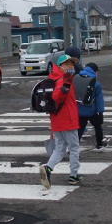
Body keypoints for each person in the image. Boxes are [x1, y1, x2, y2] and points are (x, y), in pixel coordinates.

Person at [39, 54, 82, 189]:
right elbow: (57, 95)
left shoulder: (55, 78)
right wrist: (65, 86)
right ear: (61, 66)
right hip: (68, 120)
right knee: (74, 148)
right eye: (68, 64)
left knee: (60, 149)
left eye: (72, 63)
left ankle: (48, 169)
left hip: (57, 120)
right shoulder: (63, 79)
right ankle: (74, 175)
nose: (71, 66)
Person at [77, 62, 107, 151]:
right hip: (92, 110)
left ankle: (73, 147)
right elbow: (99, 100)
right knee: (98, 127)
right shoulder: (96, 83)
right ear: (94, 71)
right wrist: (100, 112)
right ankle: (99, 144)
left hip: (80, 109)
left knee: (80, 129)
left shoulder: (76, 79)